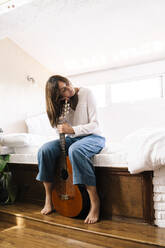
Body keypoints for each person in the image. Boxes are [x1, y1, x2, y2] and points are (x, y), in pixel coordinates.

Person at [36, 75, 105, 224]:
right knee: (44, 150)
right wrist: (62, 120)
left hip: (93, 137)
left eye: (67, 84)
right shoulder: (61, 104)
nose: (69, 88)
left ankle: (95, 202)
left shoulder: (87, 93)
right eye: (63, 90)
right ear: (59, 97)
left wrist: (73, 129)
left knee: (75, 150)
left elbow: (95, 124)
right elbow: (60, 130)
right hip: (72, 139)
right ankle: (48, 198)